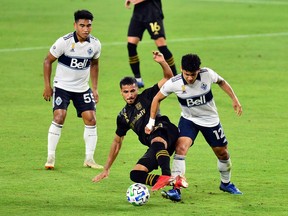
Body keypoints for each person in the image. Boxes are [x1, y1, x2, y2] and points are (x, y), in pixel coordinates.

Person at [145, 53, 243, 200]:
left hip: (210, 120)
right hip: (189, 120)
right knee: (181, 148)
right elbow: (156, 98)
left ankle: (226, 183)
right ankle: (175, 189)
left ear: (199, 70)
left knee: (222, 153)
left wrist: (234, 99)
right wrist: (151, 122)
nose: (190, 78)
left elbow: (222, 82)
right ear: (181, 69)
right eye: (186, 74)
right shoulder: (175, 82)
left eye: (193, 74)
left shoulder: (207, 74)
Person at [92, 51, 187, 197]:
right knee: (136, 174)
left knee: (156, 138)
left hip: (166, 130)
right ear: (121, 92)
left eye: (132, 91)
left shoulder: (147, 95)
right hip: (156, 147)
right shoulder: (123, 116)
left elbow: (168, 78)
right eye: (126, 92)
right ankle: (170, 181)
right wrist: (106, 168)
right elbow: (117, 142)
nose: (130, 95)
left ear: (137, 89)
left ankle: (167, 175)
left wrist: (162, 61)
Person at [43, 10, 103, 170]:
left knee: (91, 119)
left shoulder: (95, 44)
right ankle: (50, 157)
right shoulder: (64, 42)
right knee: (59, 116)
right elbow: (47, 61)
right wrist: (48, 86)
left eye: (88, 25)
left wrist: (95, 88)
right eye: (82, 25)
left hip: (82, 89)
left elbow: (95, 64)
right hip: (62, 87)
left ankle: (89, 159)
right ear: (75, 25)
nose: (86, 29)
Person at [125, 0, 177, 88]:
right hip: (138, 14)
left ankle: (176, 78)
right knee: (131, 46)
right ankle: (138, 79)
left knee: (162, 47)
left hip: (152, 14)